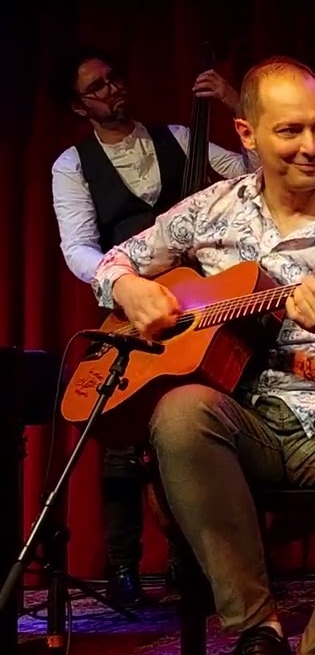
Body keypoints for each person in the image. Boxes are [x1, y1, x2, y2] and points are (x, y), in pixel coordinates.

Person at [90, 55, 315, 655]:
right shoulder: (210, 210)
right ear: (246, 133)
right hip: (242, 416)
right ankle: (258, 630)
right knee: (179, 413)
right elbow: (114, 262)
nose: (311, 146)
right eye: (290, 131)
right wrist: (129, 288)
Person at [51, 47, 256, 608]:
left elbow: (253, 177)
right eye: (96, 87)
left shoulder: (180, 138)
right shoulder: (73, 164)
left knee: (195, 417)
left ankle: (190, 559)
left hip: (195, 303)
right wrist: (123, 283)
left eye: (114, 78)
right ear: (78, 106)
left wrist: (235, 103)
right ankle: (123, 566)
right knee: (119, 431)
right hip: (129, 306)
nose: (112, 89)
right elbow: (78, 246)